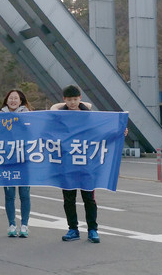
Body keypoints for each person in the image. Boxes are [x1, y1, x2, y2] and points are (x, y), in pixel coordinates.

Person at [53, 85, 100, 244]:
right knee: (68, 198)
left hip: (86, 162)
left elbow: (101, 132)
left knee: (89, 198)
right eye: (69, 100)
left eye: (75, 99)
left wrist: (121, 130)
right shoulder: (59, 116)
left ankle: (93, 230)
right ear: (64, 100)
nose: (72, 102)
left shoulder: (89, 116)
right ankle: (73, 228)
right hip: (66, 162)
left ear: (80, 98)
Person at [0, 89, 32, 238]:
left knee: (24, 193)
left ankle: (24, 225)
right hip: (7, 160)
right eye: (10, 98)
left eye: (16, 98)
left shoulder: (29, 116)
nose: (13, 100)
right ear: (6, 100)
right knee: (9, 194)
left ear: (21, 101)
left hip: (24, 160)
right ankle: (11, 225)